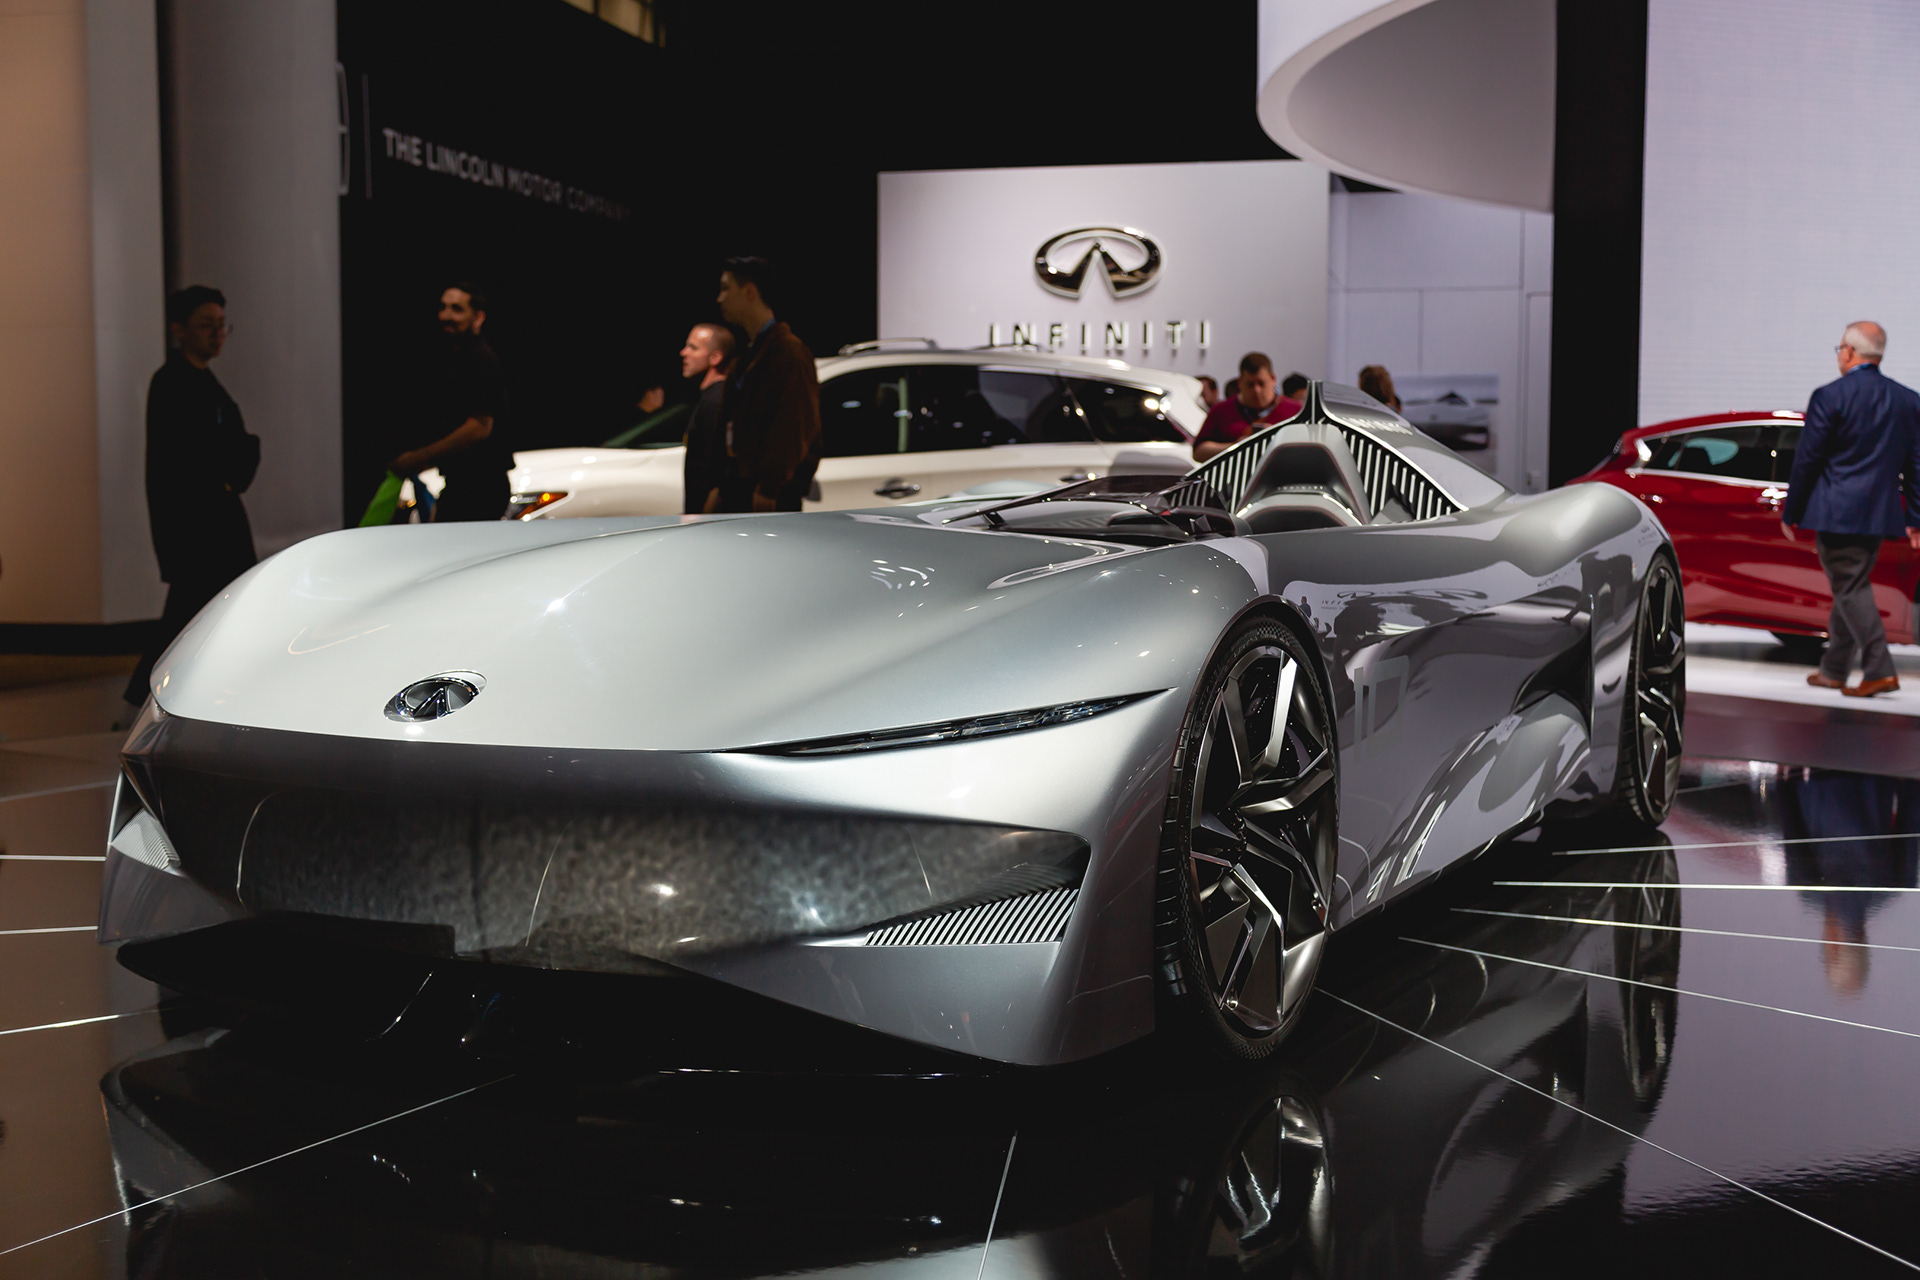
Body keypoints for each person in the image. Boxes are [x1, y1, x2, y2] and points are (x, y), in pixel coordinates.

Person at [124, 285, 260, 710]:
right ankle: (143, 700)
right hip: (198, 523)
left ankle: (153, 699)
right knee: (190, 616)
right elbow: (190, 460)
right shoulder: (173, 383)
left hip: (213, 519)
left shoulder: (202, 382)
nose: (217, 334)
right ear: (179, 329)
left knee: (198, 614)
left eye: (221, 325)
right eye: (206, 325)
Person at [1784, 321, 1920, 697]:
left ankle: (1879, 669)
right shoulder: (1907, 400)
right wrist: (1916, 519)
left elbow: (1808, 459)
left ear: (1849, 351)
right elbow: (1916, 465)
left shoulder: (1830, 396)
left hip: (1836, 512)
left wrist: (1791, 511)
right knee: (1851, 585)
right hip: (1879, 515)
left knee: (1850, 586)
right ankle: (1834, 669)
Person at [389, 283, 510, 522]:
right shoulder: (456, 358)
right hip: (462, 482)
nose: (446, 316)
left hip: (480, 485)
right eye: (443, 307)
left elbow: (479, 428)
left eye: (457, 309)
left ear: (478, 317)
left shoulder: (481, 360)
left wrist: (418, 458)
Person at [714, 257, 820, 512]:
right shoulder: (750, 353)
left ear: (749, 292)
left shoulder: (788, 353)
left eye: (726, 288)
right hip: (743, 489)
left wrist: (769, 488)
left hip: (767, 497)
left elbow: (794, 426)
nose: (720, 298)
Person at [1192, 353, 1303, 462]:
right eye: (1250, 384)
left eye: (1261, 383)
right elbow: (1198, 452)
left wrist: (1278, 440)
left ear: (1273, 379)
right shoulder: (1221, 411)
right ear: (1240, 382)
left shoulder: (1296, 411)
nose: (1256, 390)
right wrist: (1236, 447)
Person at [679, 322, 737, 513]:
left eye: (693, 348)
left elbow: (716, 467)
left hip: (708, 518)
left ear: (716, 358)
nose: (683, 353)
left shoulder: (716, 402)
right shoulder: (711, 398)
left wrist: (704, 515)